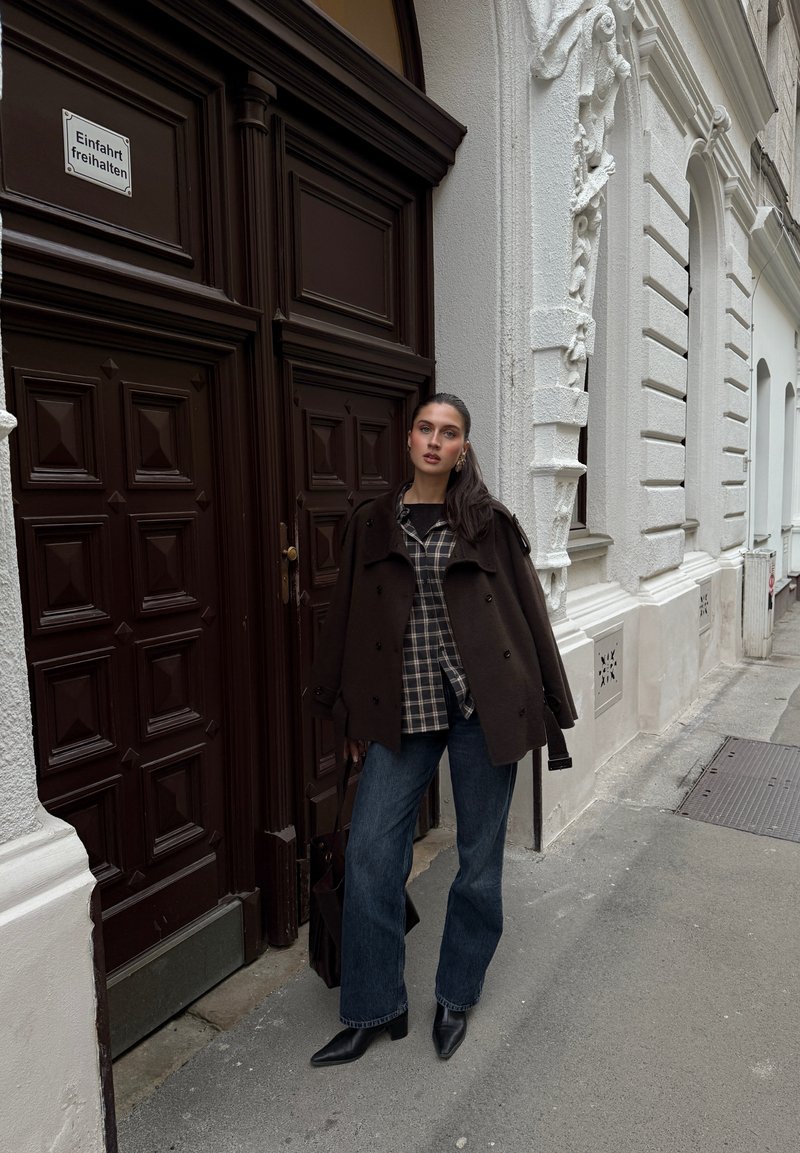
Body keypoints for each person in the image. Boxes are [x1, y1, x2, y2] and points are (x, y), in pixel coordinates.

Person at [307, 393, 576, 1067]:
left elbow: (527, 613)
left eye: (448, 432)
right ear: (408, 440)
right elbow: (346, 617)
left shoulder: (489, 522)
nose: (434, 440)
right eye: (425, 428)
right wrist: (344, 708)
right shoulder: (372, 522)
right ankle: (375, 1007)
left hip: (484, 708)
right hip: (403, 711)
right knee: (371, 854)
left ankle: (456, 994)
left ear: (462, 449)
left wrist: (552, 704)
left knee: (478, 862)